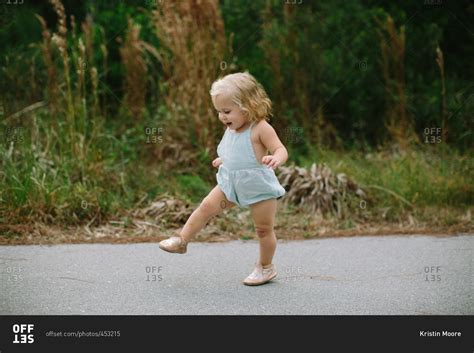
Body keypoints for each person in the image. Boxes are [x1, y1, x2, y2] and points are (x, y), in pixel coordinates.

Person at [159, 72, 288, 286]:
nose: (222, 117)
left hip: (258, 187)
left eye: (227, 111)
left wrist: (276, 158)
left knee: (263, 230)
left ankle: (265, 267)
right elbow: (236, 152)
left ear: (248, 106)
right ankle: (182, 240)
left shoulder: (261, 128)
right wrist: (224, 160)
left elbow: (280, 148)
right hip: (231, 184)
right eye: (219, 112)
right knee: (205, 208)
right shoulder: (231, 128)